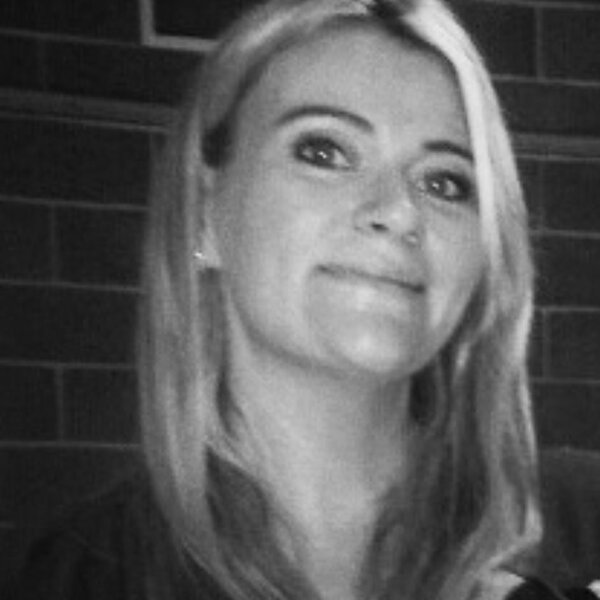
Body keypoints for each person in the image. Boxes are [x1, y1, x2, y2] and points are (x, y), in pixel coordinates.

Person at [8, 0, 600, 599]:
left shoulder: (581, 537)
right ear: (205, 213)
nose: (399, 212)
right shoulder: (84, 575)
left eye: (444, 182)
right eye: (324, 152)